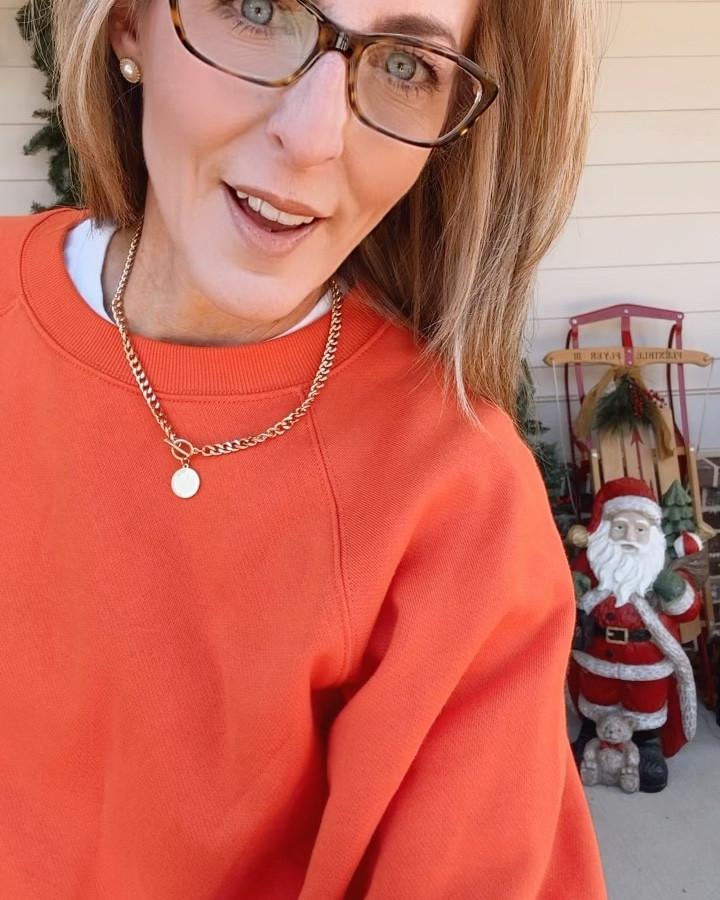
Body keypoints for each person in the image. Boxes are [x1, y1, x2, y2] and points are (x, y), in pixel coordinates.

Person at [1, 0, 606, 896]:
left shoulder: (459, 502)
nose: (314, 137)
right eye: (259, 9)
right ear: (128, 23)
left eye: (407, 66)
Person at [570, 478, 702, 793]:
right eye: (620, 528)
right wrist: (573, 586)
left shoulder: (659, 566)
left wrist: (675, 591)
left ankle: (646, 745)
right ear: (605, 531)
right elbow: (572, 591)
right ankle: (591, 736)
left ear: (652, 534)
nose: (629, 537)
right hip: (597, 654)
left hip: (647, 660)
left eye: (639, 530)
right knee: (596, 697)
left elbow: (688, 609)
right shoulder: (593, 564)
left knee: (646, 704)